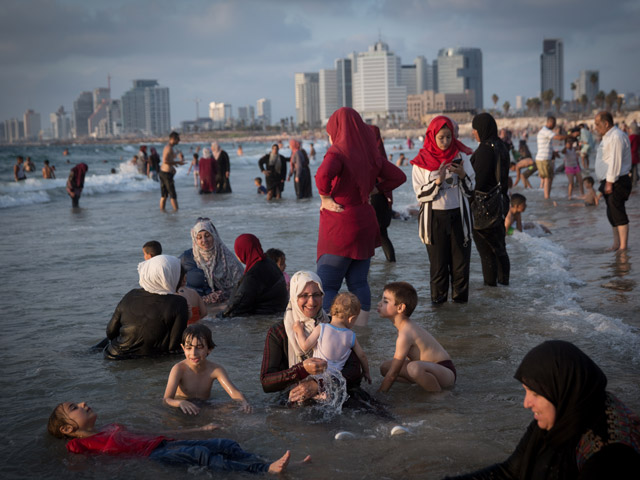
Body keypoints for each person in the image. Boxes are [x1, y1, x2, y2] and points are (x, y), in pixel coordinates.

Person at [444, 340, 640, 479]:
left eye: (535, 394)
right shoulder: (565, 411)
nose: (526, 403)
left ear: (561, 388)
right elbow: (510, 472)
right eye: (526, 392)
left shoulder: (611, 455)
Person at [316, 107, 406, 324]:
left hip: (340, 223)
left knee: (328, 285)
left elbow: (322, 176)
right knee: (359, 283)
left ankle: (331, 335)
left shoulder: (337, 152)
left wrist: (325, 198)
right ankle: (363, 330)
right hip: (365, 221)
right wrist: (374, 189)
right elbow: (398, 176)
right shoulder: (372, 156)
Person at [47, 401, 295, 474]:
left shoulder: (112, 427)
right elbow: (80, 471)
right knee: (202, 455)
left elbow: (154, 434)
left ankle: (269, 460)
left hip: (163, 443)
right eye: (73, 408)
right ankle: (264, 469)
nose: (83, 403)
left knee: (224, 443)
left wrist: (200, 430)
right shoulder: (76, 444)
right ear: (67, 429)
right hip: (152, 455)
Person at [260, 271, 364, 404]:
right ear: (293, 297)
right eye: (304, 295)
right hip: (296, 395)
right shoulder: (279, 332)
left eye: (316, 295)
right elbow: (267, 382)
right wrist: (301, 370)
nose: (312, 302)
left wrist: (318, 385)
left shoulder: (333, 324)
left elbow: (354, 371)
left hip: (333, 390)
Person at [412, 115, 475, 304]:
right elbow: (420, 196)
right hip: (434, 220)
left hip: (459, 218)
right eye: (441, 138)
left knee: (460, 269)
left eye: (449, 137)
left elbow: (471, 190)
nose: (446, 142)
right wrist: (438, 181)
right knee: (439, 270)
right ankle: (439, 314)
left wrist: (462, 175)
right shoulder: (421, 161)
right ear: (432, 136)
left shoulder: (461, 156)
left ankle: (460, 313)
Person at [104, 255, 189, 359]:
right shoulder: (179, 302)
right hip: (149, 359)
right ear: (171, 276)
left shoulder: (131, 294)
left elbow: (110, 332)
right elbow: (174, 346)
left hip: (113, 355)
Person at [377, 282, 456, 393]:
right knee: (385, 367)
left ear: (400, 308)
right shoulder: (405, 327)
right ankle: (423, 382)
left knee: (413, 368)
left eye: (385, 301)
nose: (379, 304)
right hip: (427, 369)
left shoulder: (405, 333)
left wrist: (379, 394)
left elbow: (393, 374)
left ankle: (438, 395)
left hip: (445, 371)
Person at [164, 324, 250, 414]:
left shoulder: (215, 370)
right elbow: (166, 399)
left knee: (235, 407)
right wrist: (180, 402)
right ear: (183, 348)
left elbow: (234, 393)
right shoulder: (179, 369)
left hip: (204, 405)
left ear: (209, 349)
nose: (193, 353)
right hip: (183, 407)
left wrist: (243, 402)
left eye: (199, 347)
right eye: (188, 348)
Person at [293, 292, 371, 383]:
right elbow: (362, 356)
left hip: (317, 374)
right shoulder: (351, 335)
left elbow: (305, 346)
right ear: (351, 318)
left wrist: (299, 330)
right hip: (335, 379)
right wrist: (366, 372)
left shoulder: (321, 328)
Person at [470, 113, 511, 287]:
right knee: (500, 248)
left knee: (486, 251)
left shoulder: (485, 150)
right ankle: (504, 284)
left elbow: (478, 181)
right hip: (500, 202)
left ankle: (491, 289)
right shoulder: (501, 146)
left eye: (475, 129)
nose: (473, 133)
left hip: (485, 207)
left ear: (481, 129)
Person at [180, 218, 243, 307]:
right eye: (199, 237)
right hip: (196, 308)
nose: (204, 240)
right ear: (195, 239)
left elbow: (241, 285)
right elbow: (172, 279)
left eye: (207, 235)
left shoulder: (227, 258)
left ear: (214, 235)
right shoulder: (187, 258)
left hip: (223, 307)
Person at [221, 234, 288, 317]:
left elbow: (237, 308)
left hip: (263, 318)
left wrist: (219, 317)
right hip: (278, 313)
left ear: (243, 252)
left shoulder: (253, 274)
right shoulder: (269, 263)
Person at [594, 111, 632, 252]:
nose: (595, 127)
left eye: (597, 124)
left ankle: (623, 246)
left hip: (617, 180)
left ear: (606, 123)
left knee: (618, 212)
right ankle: (616, 244)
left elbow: (616, 161)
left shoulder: (616, 136)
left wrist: (609, 182)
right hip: (609, 180)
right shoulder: (607, 137)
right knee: (611, 213)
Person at [370, 125, 398, 262]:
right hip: (382, 197)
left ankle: (365, 269)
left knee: (367, 236)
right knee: (382, 234)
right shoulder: (380, 152)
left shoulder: (367, 153)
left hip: (373, 198)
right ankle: (391, 264)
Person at [535, 116, 570, 199]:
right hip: (543, 159)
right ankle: (547, 198)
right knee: (547, 178)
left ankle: (548, 196)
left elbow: (547, 145)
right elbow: (558, 138)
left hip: (546, 158)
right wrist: (570, 135)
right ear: (550, 122)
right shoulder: (545, 131)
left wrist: (553, 152)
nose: (554, 126)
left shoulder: (546, 131)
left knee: (550, 178)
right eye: (554, 124)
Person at [160, 131, 185, 211]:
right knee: (172, 195)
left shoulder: (169, 147)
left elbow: (169, 160)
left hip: (164, 173)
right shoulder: (168, 148)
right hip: (166, 174)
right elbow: (165, 161)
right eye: (178, 139)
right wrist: (177, 162)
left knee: (164, 195)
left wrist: (177, 162)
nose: (179, 140)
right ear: (173, 139)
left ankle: (162, 212)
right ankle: (176, 212)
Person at [629, 122, 639, 186]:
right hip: (636, 155)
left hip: (631, 155)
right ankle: (635, 181)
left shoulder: (631, 137)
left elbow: (628, 145)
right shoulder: (638, 137)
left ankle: (632, 181)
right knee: (635, 169)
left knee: (630, 170)